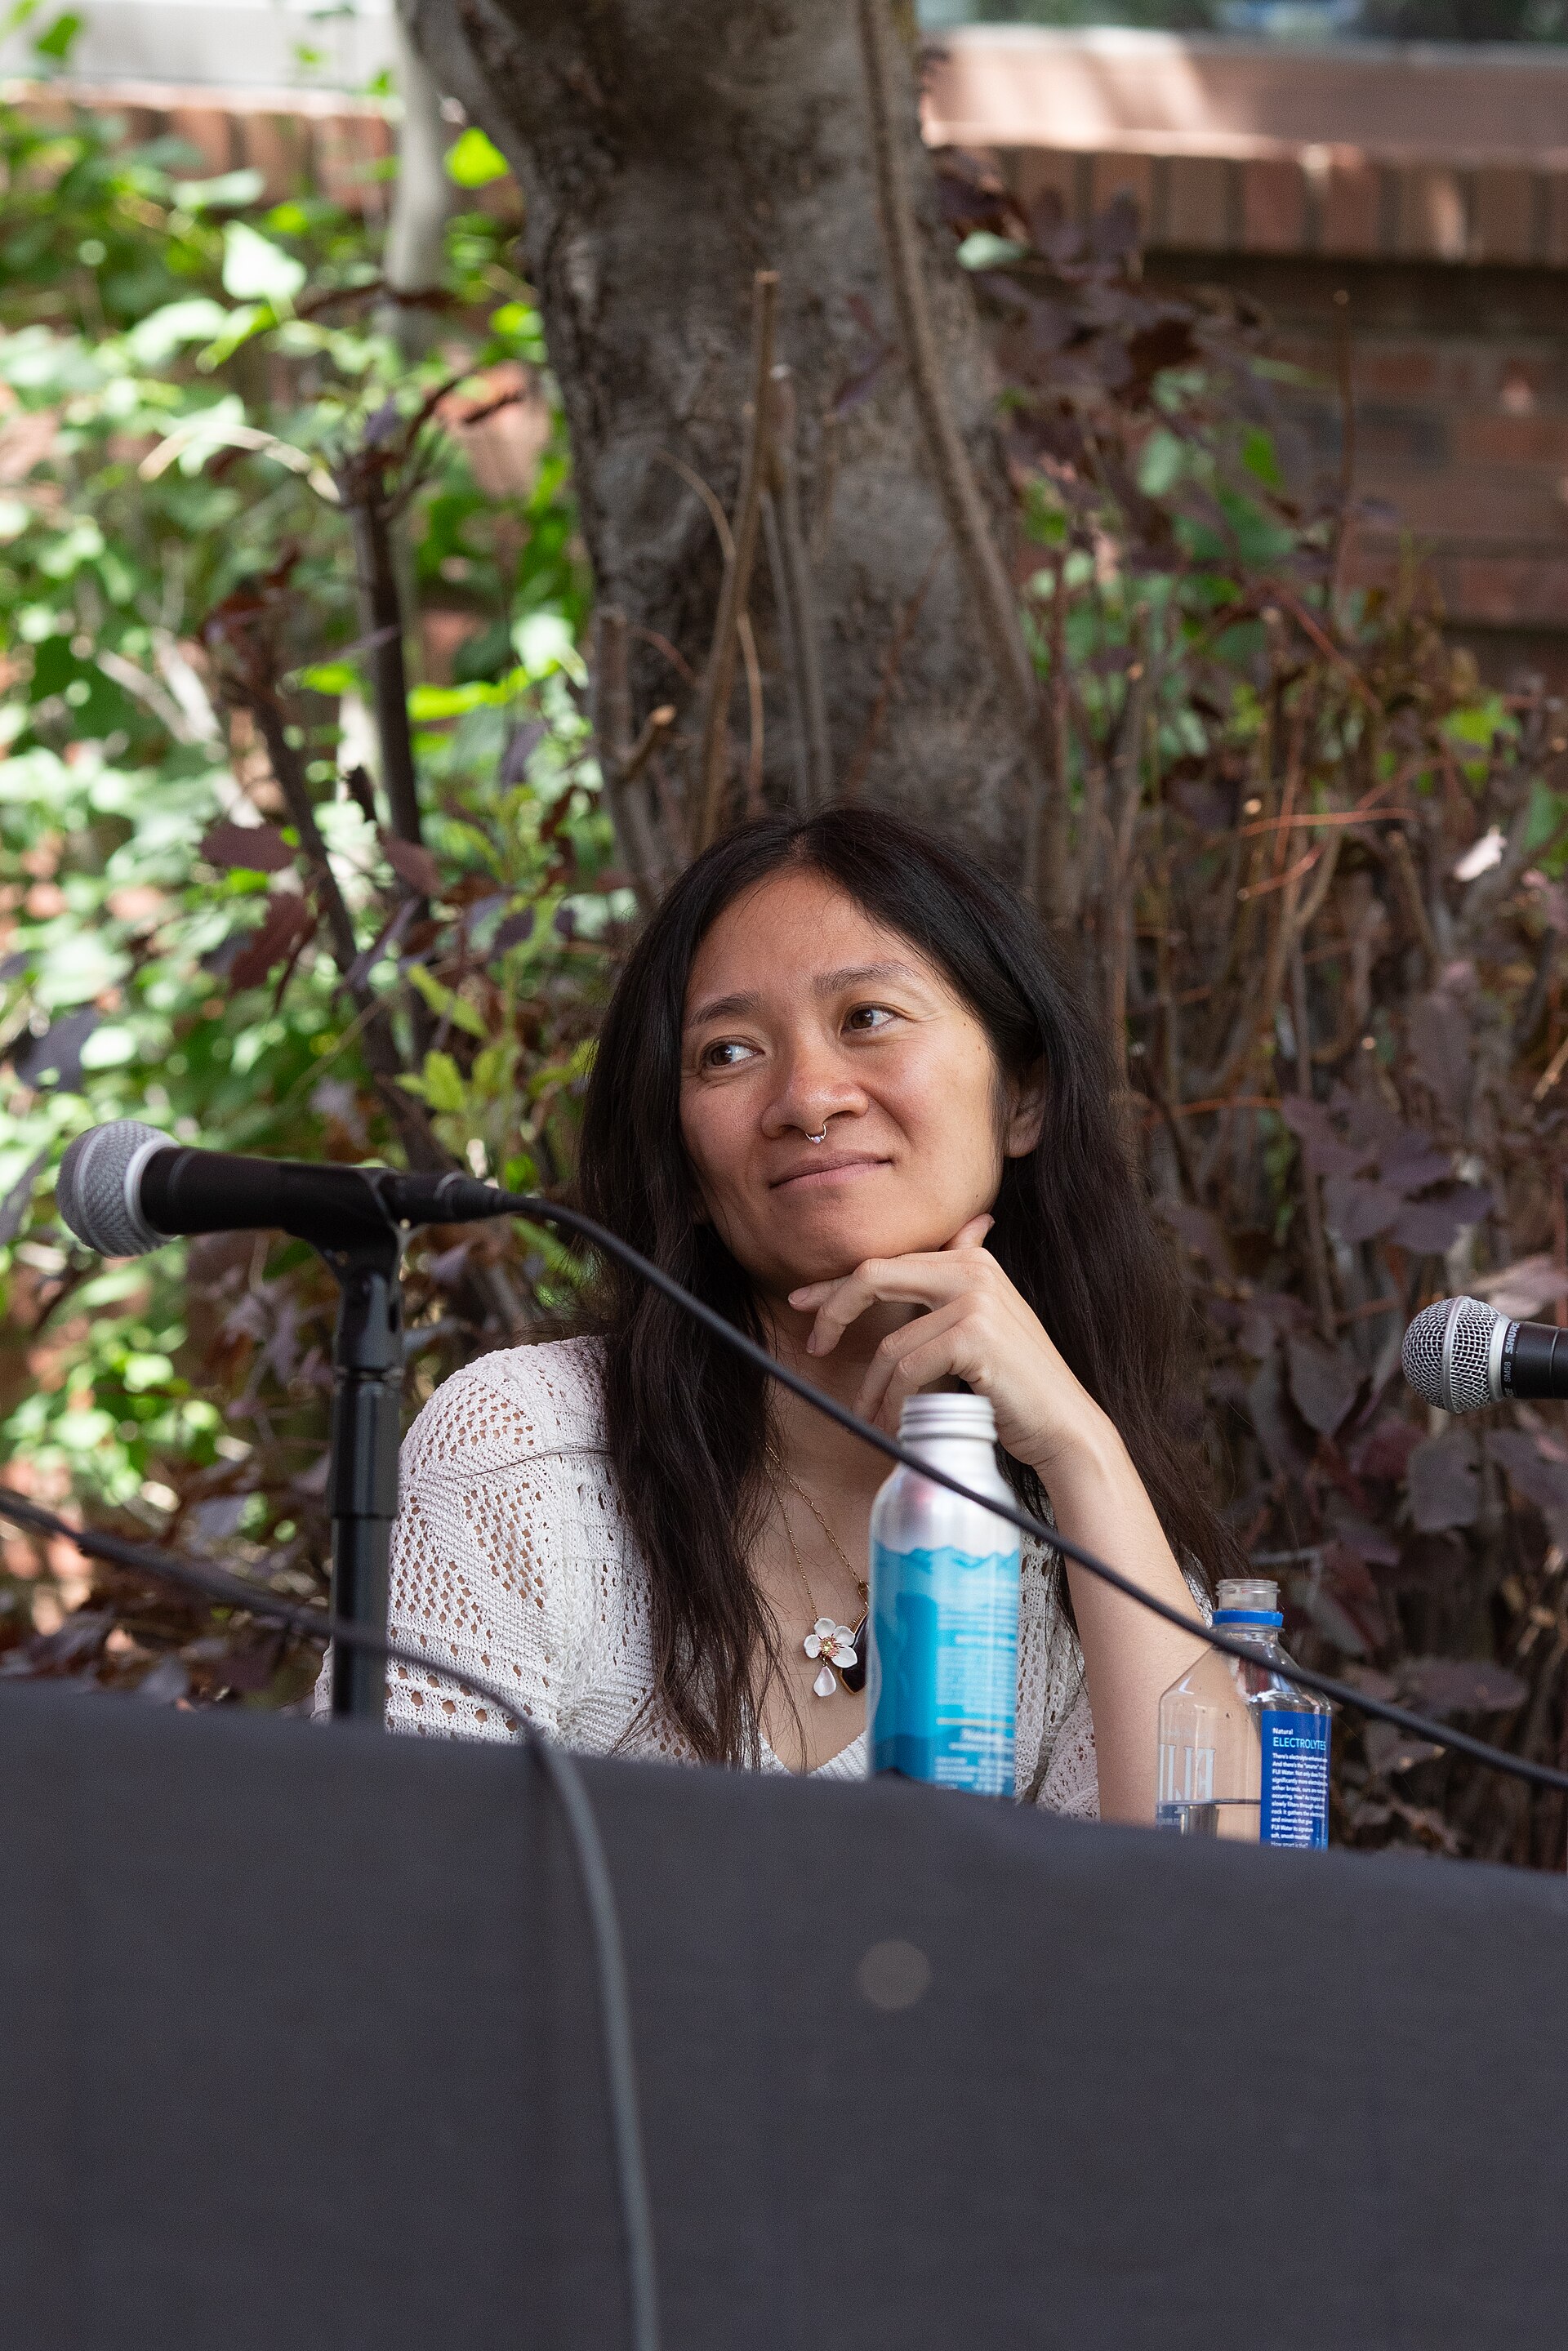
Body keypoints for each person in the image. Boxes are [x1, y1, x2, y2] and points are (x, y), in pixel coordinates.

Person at [372, 808, 1229, 1819]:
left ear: (1024, 1097)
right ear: (683, 1159)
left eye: (867, 1016)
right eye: (729, 1052)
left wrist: (1083, 1447)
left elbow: (1215, 1901)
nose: (807, 1098)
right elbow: (405, 1890)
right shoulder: (528, 1453)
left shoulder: (1079, 1526)